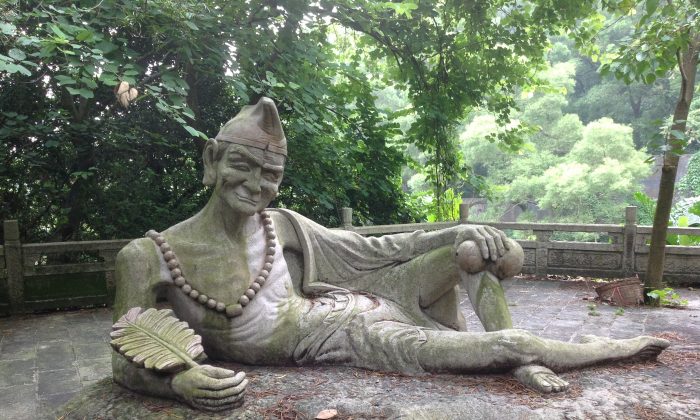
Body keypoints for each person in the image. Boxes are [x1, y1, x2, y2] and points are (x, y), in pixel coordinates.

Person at [112, 97, 669, 412]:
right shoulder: (150, 257)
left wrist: (459, 229)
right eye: (242, 166)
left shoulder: (278, 225)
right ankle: (603, 348)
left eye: (271, 174)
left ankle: (520, 360)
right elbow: (125, 355)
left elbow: (374, 248)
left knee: (470, 249)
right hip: (347, 335)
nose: (256, 185)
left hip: (362, 300)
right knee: (508, 343)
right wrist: (176, 381)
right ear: (212, 160)